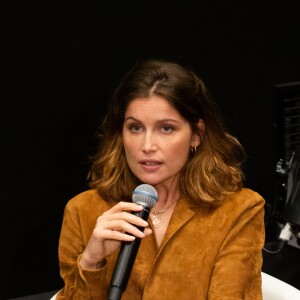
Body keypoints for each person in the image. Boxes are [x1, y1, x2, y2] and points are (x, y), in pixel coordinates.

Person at [57, 59, 265, 299]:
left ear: (197, 134)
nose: (147, 146)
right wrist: (91, 262)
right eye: (135, 128)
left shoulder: (238, 211)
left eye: (166, 128)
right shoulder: (83, 212)